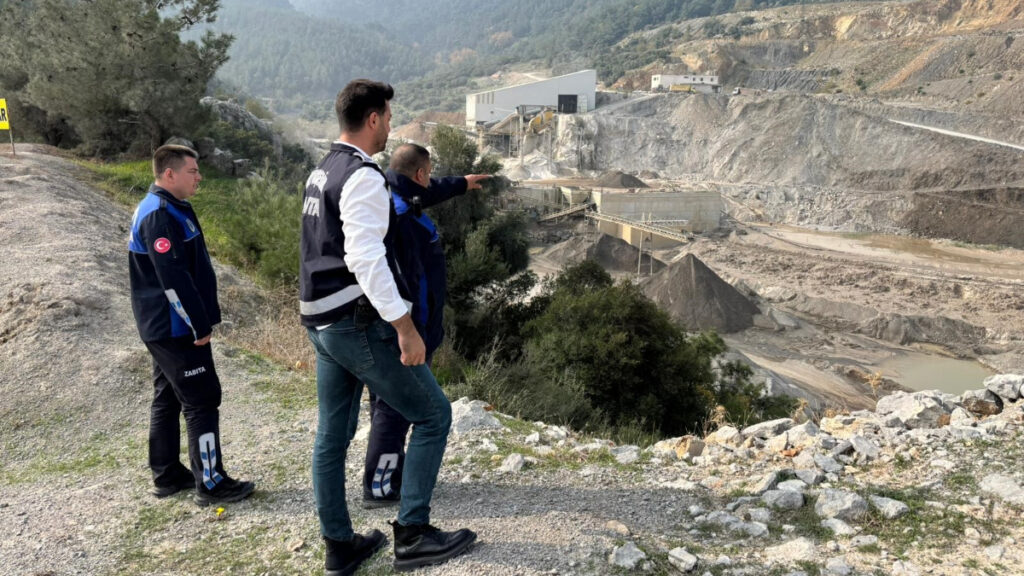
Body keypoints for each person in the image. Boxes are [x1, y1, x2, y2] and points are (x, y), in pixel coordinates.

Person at [300, 79, 476, 575]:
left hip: (322, 322)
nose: (391, 125)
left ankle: (340, 545)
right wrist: (405, 327)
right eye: (389, 117)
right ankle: (414, 534)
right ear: (373, 118)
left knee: (332, 435)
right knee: (434, 415)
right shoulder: (362, 176)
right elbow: (365, 259)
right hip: (356, 323)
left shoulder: (324, 169)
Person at [361, 143, 490, 508]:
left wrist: (460, 184)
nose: (431, 180)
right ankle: (380, 486)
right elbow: (406, 285)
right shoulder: (401, 218)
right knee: (396, 407)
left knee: (392, 404)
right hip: (409, 333)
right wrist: (413, 335)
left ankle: (390, 474)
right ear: (418, 174)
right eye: (429, 172)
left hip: (408, 330)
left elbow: (426, 193)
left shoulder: (393, 192)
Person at [128, 144, 256, 507]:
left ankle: (167, 475)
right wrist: (198, 325)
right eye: (192, 171)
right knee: (201, 400)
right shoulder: (159, 215)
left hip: (164, 327)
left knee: (167, 397)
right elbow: (173, 279)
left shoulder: (171, 207)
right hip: (174, 328)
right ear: (170, 174)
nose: (199, 176)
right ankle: (212, 483)